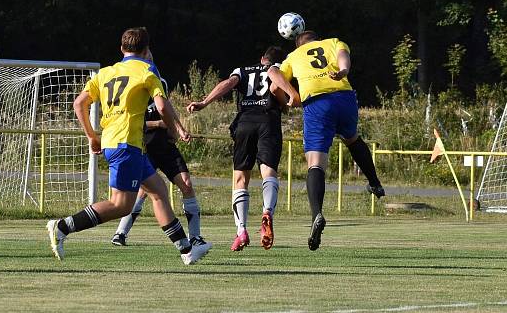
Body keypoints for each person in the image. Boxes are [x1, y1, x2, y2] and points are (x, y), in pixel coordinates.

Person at [46, 27, 211, 265]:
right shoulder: (147, 70)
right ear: (146, 50)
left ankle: (187, 250)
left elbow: (79, 103)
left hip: (120, 141)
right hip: (126, 144)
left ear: (122, 49)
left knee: (159, 192)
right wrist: (174, 131)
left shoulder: (105, 72)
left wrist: (92, 136)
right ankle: (62, 226)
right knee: (120, 205)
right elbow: (163, 107)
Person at [268, 27, 385, 251]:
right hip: (345, 97)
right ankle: (374, 183)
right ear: (316, 41)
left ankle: (317, 214)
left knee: (315, 162)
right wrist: (342, 71)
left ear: (298, 44)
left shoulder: (293, 56)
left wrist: (289, 98)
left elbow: (274, 82)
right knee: (352, 138)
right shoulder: (333, 42)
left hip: (317, 102)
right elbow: (344, 58)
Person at [187, 46, 291, 251]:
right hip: (268, 121)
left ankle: (241, 230)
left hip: (245, 122)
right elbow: (282, 93)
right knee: (268, 171)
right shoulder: (280, 70)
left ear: (262, 59)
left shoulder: (242, 70)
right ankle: (267, 211)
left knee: (240, 178)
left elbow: (228, 83)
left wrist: (204, 102)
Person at [110, 50, 210, 251]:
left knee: (187, 184)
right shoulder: (130, 88)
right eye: (145, 55)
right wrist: (160, 124)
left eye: (149, 55)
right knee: (142, 192)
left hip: (165, 146)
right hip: (144, 146)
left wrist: (180, 129)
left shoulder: (159, 82)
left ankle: (196, 237)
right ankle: (120, 233)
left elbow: (166, 107)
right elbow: (134, 122)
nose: (149, 58)